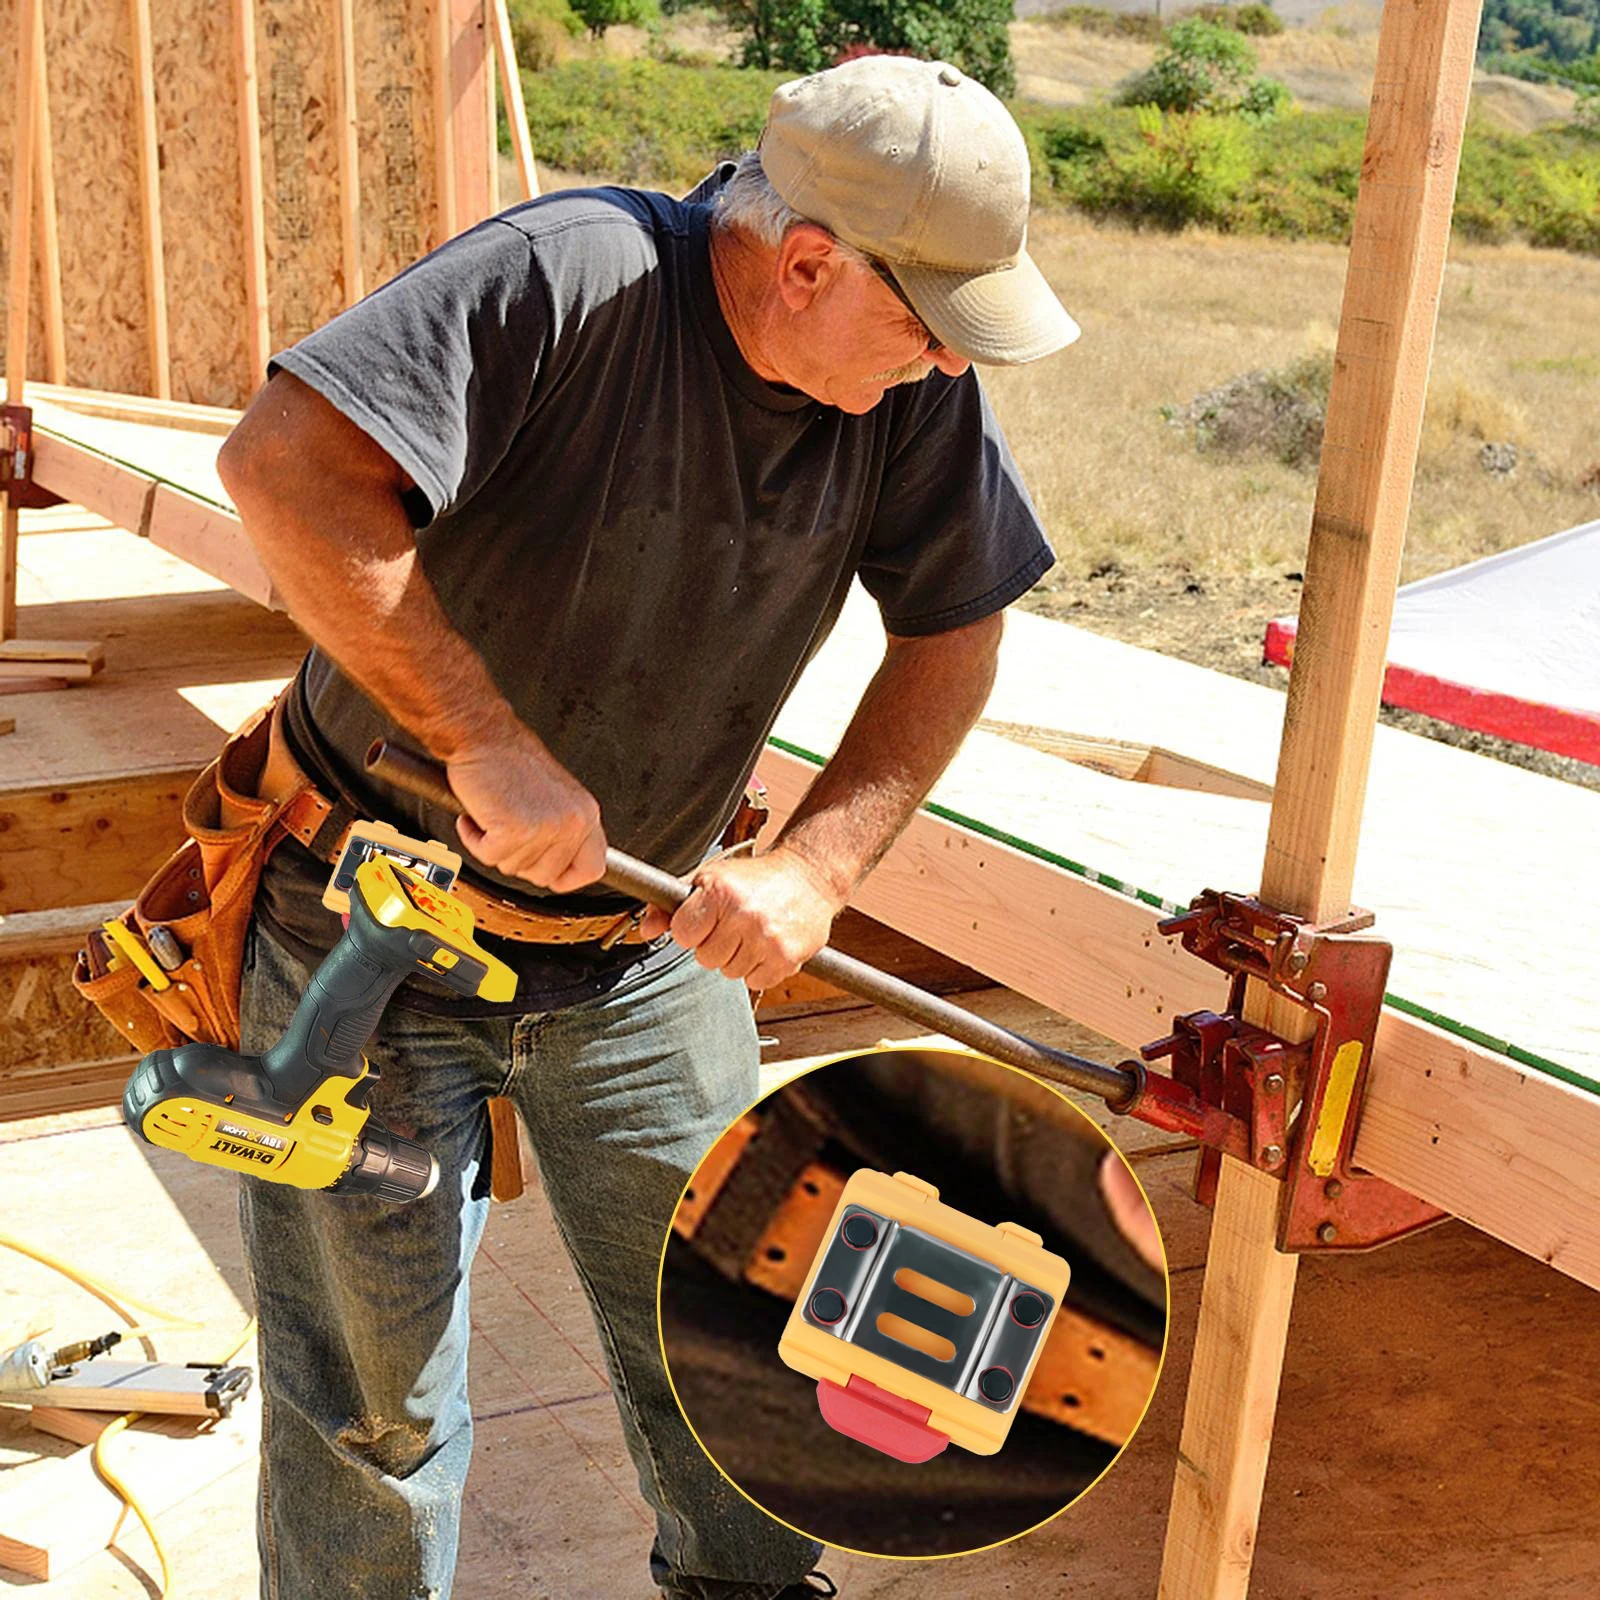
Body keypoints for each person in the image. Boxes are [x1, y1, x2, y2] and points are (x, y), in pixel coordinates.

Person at [217, 54, 1080, 1600]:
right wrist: (483, 742)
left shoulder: (899, 397)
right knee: (372, 1418)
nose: (952, 370)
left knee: (739, 1366)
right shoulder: (570, 282)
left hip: (638, 955)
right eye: (929, 327)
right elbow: (283, 466)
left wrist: (815, 863)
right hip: (371, 935)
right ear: (809, 261)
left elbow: (957, 631)